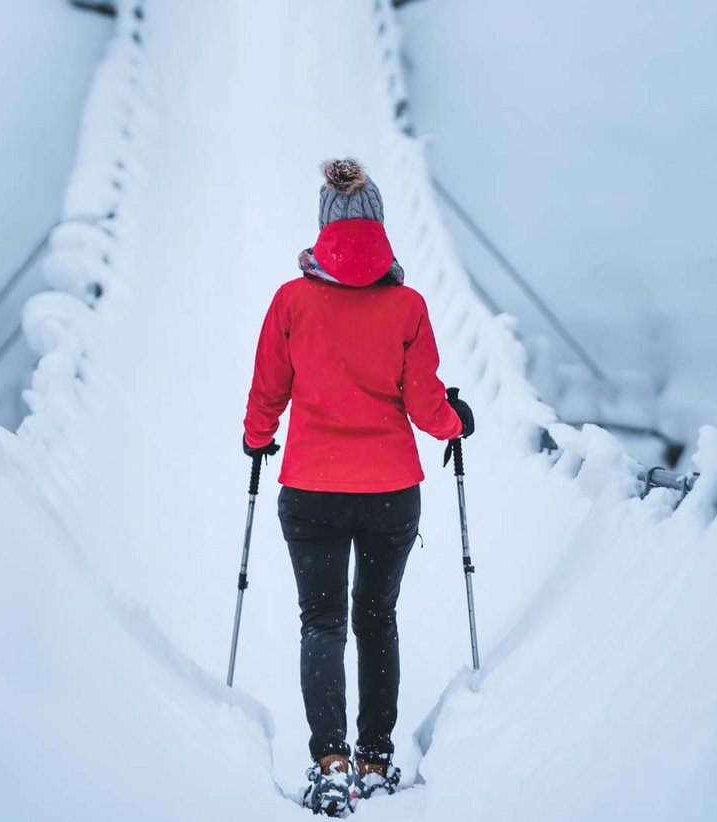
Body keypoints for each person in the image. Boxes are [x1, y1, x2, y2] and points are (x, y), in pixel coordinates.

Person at [241, 158, 475, 816]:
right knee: (376, 620)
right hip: (390, 493)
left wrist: (258, 438)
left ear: (324, 227)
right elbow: (429, 406)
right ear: (379, 226)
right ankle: (376, 759)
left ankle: (331, 762)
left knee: (322, 622)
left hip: (310, 491)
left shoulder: (291, 301)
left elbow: (268, 390)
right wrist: (457, 421)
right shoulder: (408, 306)